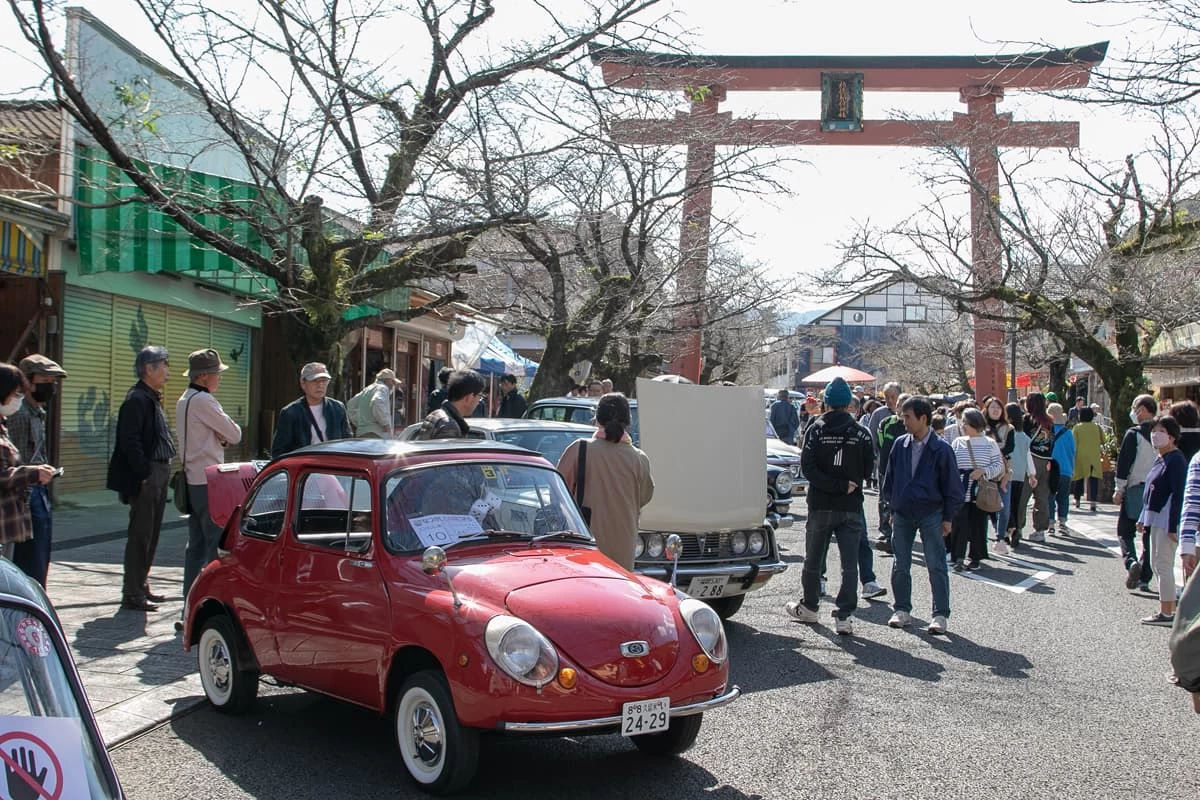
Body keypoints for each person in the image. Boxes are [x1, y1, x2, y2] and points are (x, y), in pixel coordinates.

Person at [785, 377, 875, 636]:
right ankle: (844, 614)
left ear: (825, 403)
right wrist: (849, 482)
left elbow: (808, 467)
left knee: (813, 559)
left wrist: (832, 484)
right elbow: (870, 467)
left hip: (821, 503)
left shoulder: (816, 428)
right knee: (849, 563)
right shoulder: (861, 432)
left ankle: (810, 606)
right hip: (851, 504)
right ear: (848, 403)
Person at [883, 396, 964, 635]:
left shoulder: (942, 449)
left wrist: (948, 518)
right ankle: (902, 609)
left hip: (932, 513)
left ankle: (940, 614)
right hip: (902, 512)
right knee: (900, 563)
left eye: (908, 417)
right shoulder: (900, 444)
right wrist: (891, 508)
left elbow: (953, 488)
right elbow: (890, 479)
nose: (903, 421)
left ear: (923, 418)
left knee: (936, 564)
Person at [175, 349, 242, 631]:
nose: (219, 378)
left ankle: (188, 606)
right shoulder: (205, 401)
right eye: (216, 373)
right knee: (217, 545)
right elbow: (235, 433)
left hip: (191, 480)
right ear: (203, 376)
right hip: (211, 480)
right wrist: (222, 437)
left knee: (195, 547)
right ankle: (213, 608)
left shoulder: (184, 399)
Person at [106, 346, 175, 612]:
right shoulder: (136, 399)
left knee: (152, 534)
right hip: (148, 475)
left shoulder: (151, 397)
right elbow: (129, 441)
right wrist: (144, 474)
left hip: (159, 472)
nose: (167, 371)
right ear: (149, 368)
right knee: (140, 535)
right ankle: (132, 592)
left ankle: (141, 583)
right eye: (164, 365)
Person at [556, 393, 654, 569]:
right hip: (624, 549)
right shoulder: (639, 458)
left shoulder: (580, 449)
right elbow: (644, 497)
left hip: (585, 547)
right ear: (628, 422)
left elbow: (557, 494)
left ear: (597, 419)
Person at [8, 354, 67, 586]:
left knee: (41, 557)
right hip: (25, 495)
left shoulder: (38, 413)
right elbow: (14, 461)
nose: (51, 385)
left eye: (53, 380)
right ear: (28, 382)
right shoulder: (19, 415)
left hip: (40, 492)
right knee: (28, 560)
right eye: (44, 379)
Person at [0, 364, 57, 564]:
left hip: (11, 515)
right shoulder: (17, 417)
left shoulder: (4, 425)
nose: (18, 400)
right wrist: (30, 473)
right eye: (15, 394)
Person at [1138, 416, 1187, 626]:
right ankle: (1166, 609)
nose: (1156, 435)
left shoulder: (1176, 460)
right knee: (1157, 564)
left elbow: (1178, 494)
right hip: (1155, 518)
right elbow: (1150, 491)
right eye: (1154, 430)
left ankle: (1167, 613)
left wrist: (1174, 525)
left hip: (1167, 520)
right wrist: (1143, 518)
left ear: (1172, 437)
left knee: (1163, 564)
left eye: (1161, 431)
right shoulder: (1160, 459)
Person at [949, 409, 1006, 571]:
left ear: (974, 424)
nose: (963, 425)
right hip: (960, 490)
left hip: (979, 490)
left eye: (965, 423)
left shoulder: (990, 443)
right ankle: (957, 555)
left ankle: (976, 556)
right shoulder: (957, 442)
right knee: (958, 524)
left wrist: (983, 471)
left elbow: (998, 466)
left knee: (978, 525)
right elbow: (951, 464)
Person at [1114, 395, 1158, 591]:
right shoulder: (1167, 432)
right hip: (1158, 490)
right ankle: (1144, 577)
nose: (1134, 412)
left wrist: (1118, 489)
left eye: (1136, 408)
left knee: (1125, 530)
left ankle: (1131, 562)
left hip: (1135, 487)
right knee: (1149, 535)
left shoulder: (1134, 434)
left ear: (1144, 409)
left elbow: (1124, 464)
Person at [271, 362, 352, 458]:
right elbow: (279, 451)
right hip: (305, 467)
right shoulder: (290, 412)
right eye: (315, 381)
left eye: (324, 381)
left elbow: (348, 443)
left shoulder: (338, 408)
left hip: (332, 466)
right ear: (303, 383)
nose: (320, 385)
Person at [872, 392, 909, 554]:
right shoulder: (886, 423)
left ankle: (899, 535)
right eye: (899, 404)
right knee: (884, 500)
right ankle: (886, 531)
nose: (900, 407)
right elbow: (880, 444)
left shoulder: (911, 426)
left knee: (901, 502)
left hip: (905, 472)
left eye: (904, 404)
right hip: (885, 468)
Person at [411, 369, 485, 439]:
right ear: (470, 397)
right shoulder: (449, 425)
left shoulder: (437, 414)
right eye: (480, 396)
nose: (479, 401)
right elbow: (448, 453)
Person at [982, 396, 1015, 554]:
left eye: (998, 407)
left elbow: (1010, 448)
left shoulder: (1009, 428)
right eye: (992, 407)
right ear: (986, 409)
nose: (995, 410)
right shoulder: (980, 427)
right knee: (988, 503)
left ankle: (1000, 537)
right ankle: (996, 533)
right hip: (986, 470)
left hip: (1004, 471)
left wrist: (994, 450)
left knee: (1004, 506)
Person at [1024, 393, 1057, 543]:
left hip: (1031, 459)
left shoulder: (1028, 420)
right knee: (1042, 497)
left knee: (1024, 495)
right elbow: (1052, 442)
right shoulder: (1050, 422)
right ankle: (1040, 530)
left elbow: (1024, 441)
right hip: (1046, 461)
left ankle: (1018, 527)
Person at [1005, 403, 1038, 550]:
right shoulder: (1025, 437)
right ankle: (1016, 529)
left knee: (1006, 504)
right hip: (1020, 474)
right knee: (1016, 504)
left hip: (1007, 473)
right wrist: (1032, 474)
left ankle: (1009, 529)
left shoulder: (1006, 433)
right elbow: (1028, 456)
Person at [1046, 403, 1076, 535]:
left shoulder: (1047, 432)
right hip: (1066, 470)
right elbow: (1073, 451)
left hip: (1050, 469)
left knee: (1050, 496)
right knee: (1063, 497)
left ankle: (1050, 523)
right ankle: (1063, 523)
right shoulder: (1069, 433)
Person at [348, 368, 402, 438]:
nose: (393, 386)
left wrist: (359, 422)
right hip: (376, 434)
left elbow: (350, 404)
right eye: (393, 382)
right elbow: (377, 401)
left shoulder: (368, 389)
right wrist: (385, 423)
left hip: (362, 433)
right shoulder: (383, 388)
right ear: (387, 380)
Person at [1071, 407, 1103, 512]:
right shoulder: (1097, 427)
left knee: (1079, 478)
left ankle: (1077, 500)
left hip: (1080, 456)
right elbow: (1104, 440)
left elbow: (1073, 443)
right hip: (1094, 456)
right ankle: (1093, 502)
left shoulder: (1077, 428)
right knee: (1093, 479)